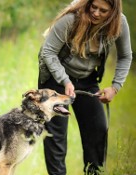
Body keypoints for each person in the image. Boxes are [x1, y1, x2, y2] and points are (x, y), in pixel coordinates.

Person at [38, 0, 132, 174]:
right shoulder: (71, 20)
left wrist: (115, 87)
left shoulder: (120, 23)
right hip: (55, 79)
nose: (96, 13)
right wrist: (65, 81)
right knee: (56, 137)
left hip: (87, 80)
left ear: (113, 12)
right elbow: (48, 51)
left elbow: (125, 56)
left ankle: (94, 171)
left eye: (103, 11)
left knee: (97, 130)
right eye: (93, 7)